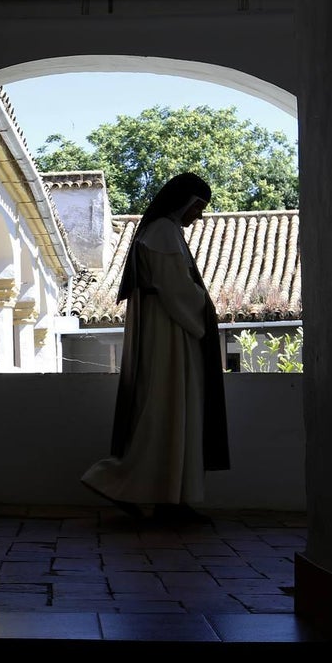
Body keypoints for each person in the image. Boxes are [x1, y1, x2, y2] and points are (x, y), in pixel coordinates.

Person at [80, 171, 230, 524]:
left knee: (173, 412)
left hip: (170, 330)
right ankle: (131, 486)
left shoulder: (163, 231)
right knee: (168, 410)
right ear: (182, 202)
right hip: (170, 333)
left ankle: (168, 498)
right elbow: (174, 286)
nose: (199, 216)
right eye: (197, 206)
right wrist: (204, 309)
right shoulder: (163, 231)